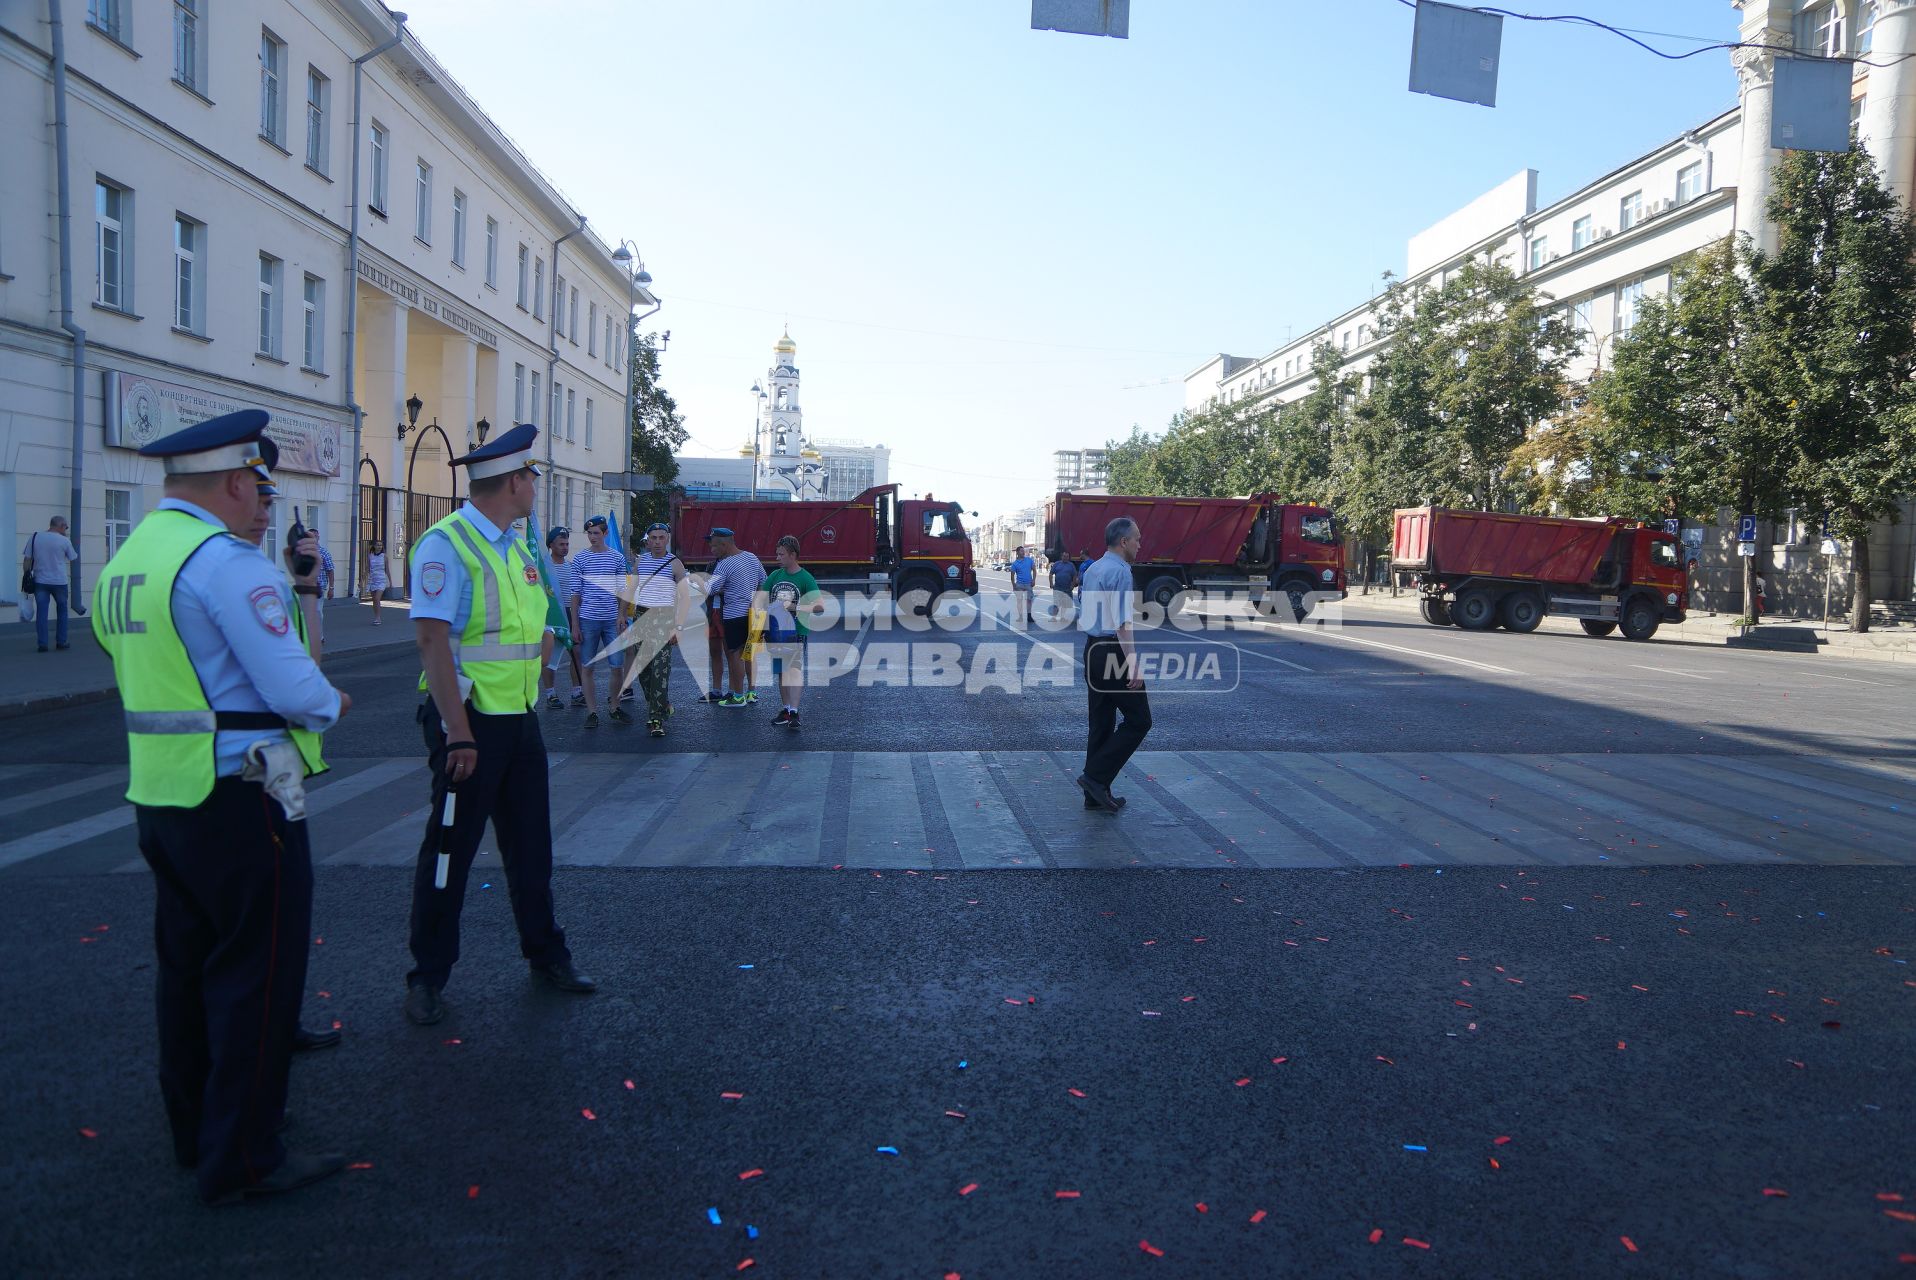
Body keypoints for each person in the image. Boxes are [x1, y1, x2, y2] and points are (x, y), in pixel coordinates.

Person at [92, 409, 352, 1205]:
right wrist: (331, 701)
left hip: (162, 795)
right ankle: (245, 1155)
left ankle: (196, 1133)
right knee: (257, 978)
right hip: (243, 797)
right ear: (237, 481)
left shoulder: (128, 561)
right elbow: (294, 689)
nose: (262, 502)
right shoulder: (227, 564)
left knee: (187, 974)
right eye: (257, 487)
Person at [403, 424, 596, 1028]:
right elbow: (433, 640)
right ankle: (427, 976)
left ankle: (547, 956)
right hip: (469, 725)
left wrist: (542, 661)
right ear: (514, 481)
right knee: (449, 853)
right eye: (532, 476)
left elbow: (537, 621)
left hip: (518, 721)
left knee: (531, 848)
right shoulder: (446, 544)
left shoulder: (516, 545)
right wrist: (457, 733)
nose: (537, 485)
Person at [1077, 517, 1150, 813]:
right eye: (1137, 539)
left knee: (1102, 722)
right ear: (1123, 542)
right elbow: (1122, 623)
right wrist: (1132, 664)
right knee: (1140, 720)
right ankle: (1095, 778)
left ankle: (1095, 794)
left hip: (1092, 649)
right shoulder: (1121, 571)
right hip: (1111, 653)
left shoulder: (1094, 568)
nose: (1139, 544)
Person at [570, 514, 632, 728]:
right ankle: (592, 712)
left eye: (596, 533)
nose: (592, 537)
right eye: (589, 533)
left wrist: (622, 615)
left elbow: (622, 590)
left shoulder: (616, 557)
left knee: (617, 665)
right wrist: (575, 625)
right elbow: (575, 593)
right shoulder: (579, 559)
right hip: (588, 619)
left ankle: (614, 707)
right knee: (587, 666)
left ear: (605, 534)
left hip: (611, 620)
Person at [756, 534, 823, 728]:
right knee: (781, 672)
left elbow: (819, 607)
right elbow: (761, 598)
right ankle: (786, 710)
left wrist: (795, 607)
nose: (777, 558)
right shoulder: (775, 576)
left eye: (781, 554)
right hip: (776, 632)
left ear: (793, 555)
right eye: (777, 554)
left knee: (793, 671)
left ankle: (795, 713)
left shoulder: (805, 577)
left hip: (796, 632)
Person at [630, 521, 688, 736]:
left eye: (661, 537)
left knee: (660, 670)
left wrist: (679, 627)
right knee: (643, 670)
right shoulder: (640, 562)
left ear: (667, 539)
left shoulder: (675, 564)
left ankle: (655, 718)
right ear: (648, 539)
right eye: (653, 538)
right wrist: (621, 616)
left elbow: (684, 599)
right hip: (641, 618)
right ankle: (660, 705)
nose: (657, 542)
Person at [703, 527, 766, 708]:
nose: (712, 549)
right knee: (750, 654)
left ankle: (738, 696)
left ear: (724, 544)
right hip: (755, 613)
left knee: (735, 654)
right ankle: (751, 692)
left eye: (715, 546)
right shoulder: (752, 557)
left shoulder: (724, 564)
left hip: (734, 614)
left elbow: (711, 589)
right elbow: (764, 580)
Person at [541, 527, 585, 710]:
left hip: (569, 614)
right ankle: (550, 694)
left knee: (576, 653)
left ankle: (577, 692)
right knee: (550, 657)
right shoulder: (543, 569)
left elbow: (577, 593)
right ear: (551, 545)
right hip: (551, 616)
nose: (565, 548)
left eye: (567, 544)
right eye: (561, 544)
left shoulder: (571, 567)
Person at [22, 515, 79, 652]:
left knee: (42, 612)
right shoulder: (64, 541)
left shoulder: (35, 537)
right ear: (60, 525)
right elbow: (73, 557)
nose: (66, 529)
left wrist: (26, 575)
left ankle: (42, 644)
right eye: (65, 526)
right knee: (62, 611)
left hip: (40, 581)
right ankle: (61, 641)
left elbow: (27, 560)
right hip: (59, 582)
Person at [1009, 545, 1036, 628]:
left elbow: (1034, 570)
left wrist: (1034, 580)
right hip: (1019, 584)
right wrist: (1014, 585)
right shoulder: (1015, 564)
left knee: (1029, 600)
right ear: (1017, 552)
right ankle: (1020, 616)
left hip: (1028, 583)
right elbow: (1012, 575)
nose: (1023, 552)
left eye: (1023, 551)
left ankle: (1029, 616)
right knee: (1019, 601)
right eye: (1021, 551)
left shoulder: (1029, 560)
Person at [365, 540, 390, 626]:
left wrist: (390, 581)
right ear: (374, 546)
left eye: (381, 545)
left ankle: (378, 617)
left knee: (377, 598)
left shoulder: (384, 556)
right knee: (374, 600)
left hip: (381, 580)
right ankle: (376, 617)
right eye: (378, 545)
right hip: (373, 580)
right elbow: (367, 569)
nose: (379, 547)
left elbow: (387, 569)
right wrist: (362, 580)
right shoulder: (370, 556)